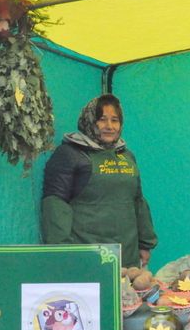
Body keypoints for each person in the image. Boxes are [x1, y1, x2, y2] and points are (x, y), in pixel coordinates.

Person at [41, 94, 157, 268]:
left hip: (127, 255)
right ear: (88, 121)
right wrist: (61, 251)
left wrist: (145, 244)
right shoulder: (69, 154)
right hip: (88, 257)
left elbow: (137, 201)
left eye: (115, 120)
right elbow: (55, 204)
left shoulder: (126, 155)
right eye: (102, 120)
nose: (109, 126)